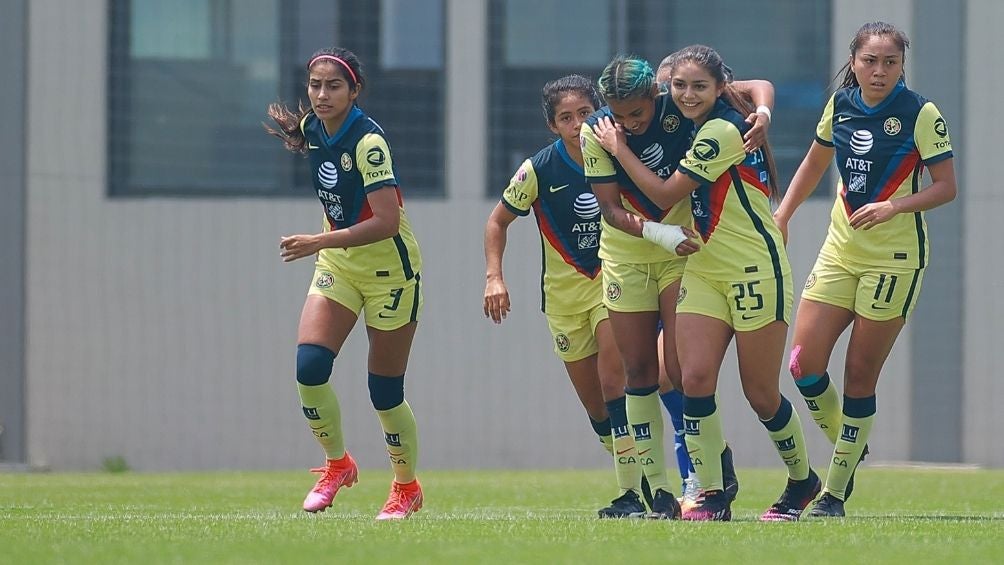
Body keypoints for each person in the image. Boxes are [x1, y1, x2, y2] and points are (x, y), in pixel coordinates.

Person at [592, 45, 820, 522]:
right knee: (691, 379)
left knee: (761, 393)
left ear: (720, 87)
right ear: (665, 88)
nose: (688, 95)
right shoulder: (684, 110)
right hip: (703, 268)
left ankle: (802, 480)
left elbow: (663, 192)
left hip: (755, 267)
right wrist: (762, 107)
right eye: (679, 86)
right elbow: (761, 87)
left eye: (699, 86)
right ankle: (713, 493)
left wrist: (618, 150)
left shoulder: (719, 129)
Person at [773, 22, 957, 517]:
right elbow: (814, 163)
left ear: (902, 65)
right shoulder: (841, 104)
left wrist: (895, 208)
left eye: (890, 62)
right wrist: (783, 215)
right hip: (840, 251)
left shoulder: (921, 113)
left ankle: (832, 493)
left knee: (859, 375)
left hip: (894, 260)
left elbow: (945, 187)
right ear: (853, 60)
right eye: (869, 61)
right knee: (802, 364)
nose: (879, 71)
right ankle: (850, 449)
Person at [264, 47, 425, 520]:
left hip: (390, 274)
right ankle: (338, 465)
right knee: (310, 366)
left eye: (334, 85)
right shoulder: (314, 129)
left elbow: (387, 222)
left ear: (355, 91)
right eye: (315, 84)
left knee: (384, 391)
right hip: (339, 265)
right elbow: (309, 139)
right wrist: (326, 245)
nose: (321, 94)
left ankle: (406, 487)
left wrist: (319, 240)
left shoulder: (369, 143)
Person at [484, 75, 652, 518]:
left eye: (583, 113)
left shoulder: (618, 153)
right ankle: (642, 479)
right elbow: (497, 222)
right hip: (562, 301)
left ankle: (632, 495)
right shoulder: (539, 168)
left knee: (615, 380)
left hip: (611, 283)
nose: (577, 124)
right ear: (552, 125)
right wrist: (494, 277)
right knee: (598, 409)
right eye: (566, 117)